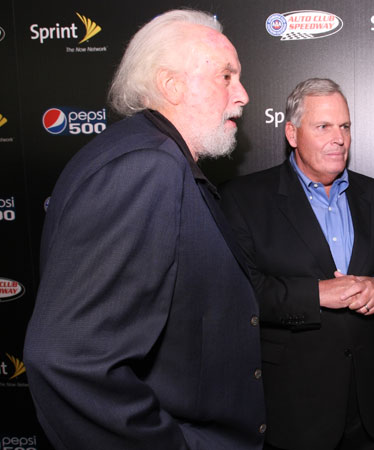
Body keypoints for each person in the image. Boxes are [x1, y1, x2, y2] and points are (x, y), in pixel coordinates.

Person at [23, 9, 266, 450]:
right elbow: (68, 359)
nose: (243, 94)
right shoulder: (146, 166)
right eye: (226, 77)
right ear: (171, 85)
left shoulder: (152, 156)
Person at [219, 78, 374, 450]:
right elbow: (238, 291)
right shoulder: (244, 198)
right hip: (295, 409)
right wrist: (316, 294)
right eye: (323, 126)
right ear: (292, 134)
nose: (339, 138)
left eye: (344, 126)